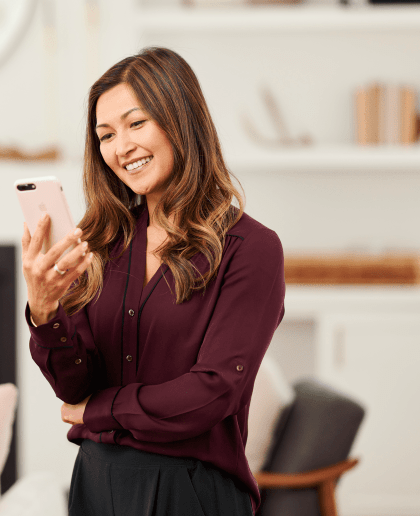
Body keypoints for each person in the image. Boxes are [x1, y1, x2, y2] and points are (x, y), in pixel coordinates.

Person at [21, 46, 285, 515]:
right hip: (95, 481)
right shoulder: (99, 241)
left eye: (136, 123)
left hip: (191, 491)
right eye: (105, 135)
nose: (121, 148)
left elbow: (211, 393)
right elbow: (74, 385)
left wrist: (98, 413)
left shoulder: (251, 249)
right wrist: (44, 312)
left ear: (181, 120)